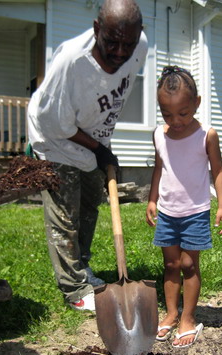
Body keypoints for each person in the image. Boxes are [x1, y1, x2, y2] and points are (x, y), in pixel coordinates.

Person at [28, 0, 148, 312]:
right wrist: (100, 150)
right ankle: (74, 288)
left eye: (128, 43)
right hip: (54, 137)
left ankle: (81, 265)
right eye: (111, 42)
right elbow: (55, 123)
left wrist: (100, 144)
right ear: (97, 29)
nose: (121, 52)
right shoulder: (71, 63)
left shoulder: (140, 46)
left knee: (89, 205)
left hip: (91, 138)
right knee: (65, 213)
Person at [146, 66, 222, 348]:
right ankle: (171, 314)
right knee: (170, 264)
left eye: (183, 113)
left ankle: (189, 318)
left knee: (189, 264)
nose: (176, 120)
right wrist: (152, 199)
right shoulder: (159, 134)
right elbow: (159, 168)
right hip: (168, 212)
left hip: (195, 211)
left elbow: (217, 170)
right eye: (167, 114)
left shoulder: (207, 134)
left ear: (197, 103)